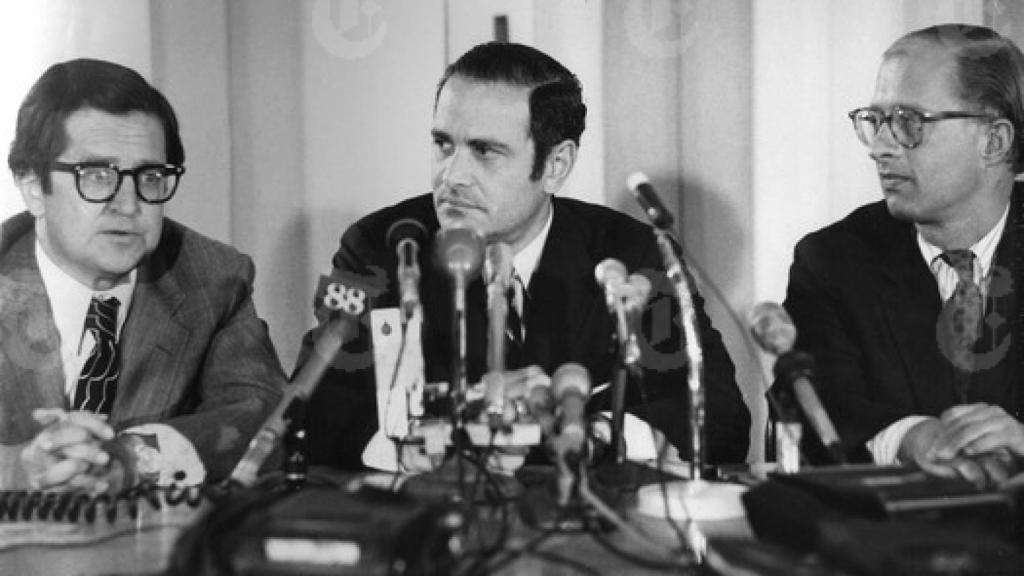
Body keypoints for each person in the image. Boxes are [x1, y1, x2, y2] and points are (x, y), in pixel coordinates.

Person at [300, 42, 750, 471]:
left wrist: (588, 434)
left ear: (555, 165)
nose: (452, 176)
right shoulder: (381, 246)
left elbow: (719, 416)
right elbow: (309, 409)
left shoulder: (632, 253)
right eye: (443, 144)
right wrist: (422, 443)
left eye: (484, 151)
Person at [0, 59, 286, 493]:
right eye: (96, 175)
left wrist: (137, 458)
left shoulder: (212, 279)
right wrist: (18, 469)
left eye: (150, 177)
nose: (129, 204)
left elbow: (264, 415)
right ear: (33, 186)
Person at [784, 24, 1024, 486]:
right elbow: (814, 403)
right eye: (874, 121)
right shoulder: (833, 259)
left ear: (994, 141)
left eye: (910, 122)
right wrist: (914, 437)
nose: (879, 148)